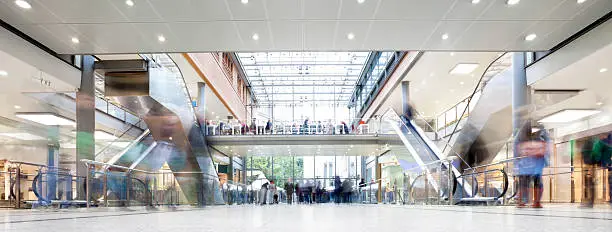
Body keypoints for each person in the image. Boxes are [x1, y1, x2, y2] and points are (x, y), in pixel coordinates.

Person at [516, 125, 550, 208]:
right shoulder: (541, 136)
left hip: (528, 167)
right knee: (529, 184)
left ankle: (529, 202)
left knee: (527, 184)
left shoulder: (522, 139)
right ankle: (533, 202)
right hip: (530, 167)